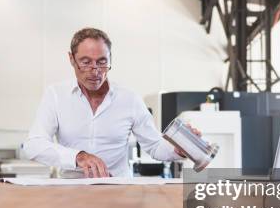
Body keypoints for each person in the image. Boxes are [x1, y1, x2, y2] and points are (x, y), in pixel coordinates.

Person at [25, 27, 199, 178]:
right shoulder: (56, 95)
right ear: (72, 59)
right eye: (86, 63)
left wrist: (177, 149)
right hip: (72, 190)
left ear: (110, 59)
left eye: (102, 62)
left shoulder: (129, 99)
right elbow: (33, 145)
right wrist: (79, 157)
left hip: (119, 190)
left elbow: (154, 146)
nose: (95, 71)